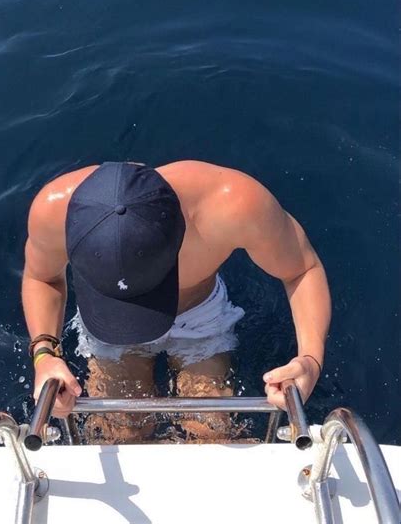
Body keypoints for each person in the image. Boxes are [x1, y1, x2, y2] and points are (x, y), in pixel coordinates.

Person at [22, 161, 331, 443]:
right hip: (105, 320)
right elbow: (41, 277)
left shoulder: (233, 205)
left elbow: (302, 269)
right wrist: (44, 355)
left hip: (197, 315)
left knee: (210, 434)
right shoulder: (53, 210)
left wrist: (310, 361)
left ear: (181, 234)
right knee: (122, 434)